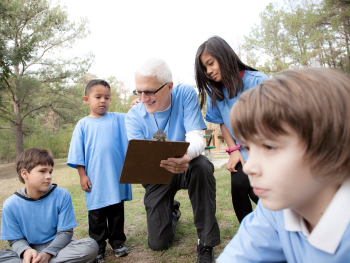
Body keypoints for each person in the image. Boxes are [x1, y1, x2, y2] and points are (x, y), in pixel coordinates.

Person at [216, 68, 350, 262]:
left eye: (269, 147)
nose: (248, 167)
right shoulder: (277, 210)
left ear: (334, 151)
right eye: (248, 148)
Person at [126, 58, 220, 263]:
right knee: (157, 243)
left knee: (202, 166)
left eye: (149, 92)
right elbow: (140, 158)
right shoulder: (133, 116)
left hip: (188, 164)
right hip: (158, 174)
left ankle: (206, 243)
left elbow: (196, 137)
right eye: (139, 92)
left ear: (169, 87)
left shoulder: (185, 94)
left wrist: (185, 158)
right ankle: (172, 212)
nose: (143, 98)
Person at [195, 36, 269, 223]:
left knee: (258, 192)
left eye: (211, 63)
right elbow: (222, 122)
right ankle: (248, 235)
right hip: (241, 151)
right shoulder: (215, 92)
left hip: (265, 150)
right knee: (238, 187)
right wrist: (233, 150)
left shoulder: (258, 81)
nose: (209, 71)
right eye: (205, 68)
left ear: (224, 56)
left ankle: (275, 227)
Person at [67, 79, 132, 262]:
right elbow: (78, 152)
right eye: (98, 97)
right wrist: (82, 174)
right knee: (97, 215)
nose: (103, 100)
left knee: (117, 212)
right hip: (95, 179)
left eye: (107, 97)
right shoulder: (83, 125)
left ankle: (118, 241)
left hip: (116, 177)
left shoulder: (117, 119)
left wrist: (135, 105)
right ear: (87, 99)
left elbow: (134, 117)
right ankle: (99, 246)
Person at [0, 147, 98, 263]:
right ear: (24, 173)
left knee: (90, 245)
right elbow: (15, 239)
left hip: (59, 250)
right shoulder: (10, 204)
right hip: (30, 253)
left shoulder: (62, 195)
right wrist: (26, 251)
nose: (48, 176)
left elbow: (65, 232)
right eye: (42, 171)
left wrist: (47, 254)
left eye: (50, 172)